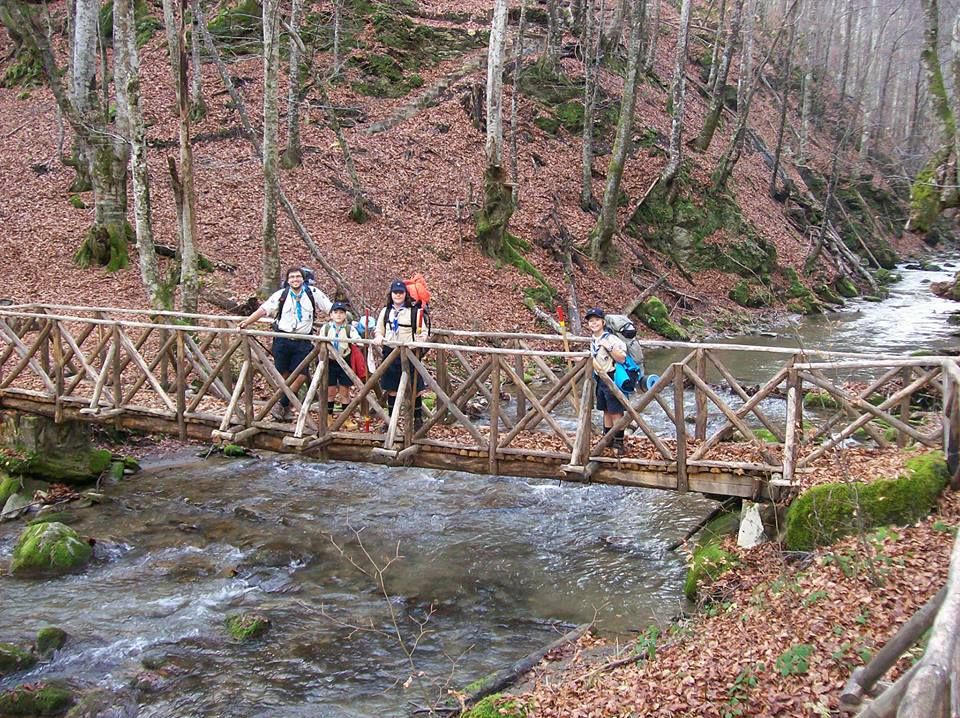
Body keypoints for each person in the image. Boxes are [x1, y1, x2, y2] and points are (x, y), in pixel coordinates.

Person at [239, 267, 333, 421]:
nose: (295, 280)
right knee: (285, 376)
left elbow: (330, 309)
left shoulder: (313, 293)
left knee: (301, 376)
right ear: (288, 280)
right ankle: (287, 409)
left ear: (303, 279)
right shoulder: (281, 295)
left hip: (303, 340)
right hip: (282, 338)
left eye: (298, 277)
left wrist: (341, 325)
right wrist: (247, 322)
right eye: (292, 277)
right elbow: (264, 310)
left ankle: (281, 404)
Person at [374, 279, 428, 429]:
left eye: (400, 292)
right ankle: (391, 421)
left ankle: (417, 420)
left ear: (405, 294)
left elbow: (423, 332)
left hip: (410, 353)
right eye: (395, 293)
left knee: (415, 388)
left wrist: (420, 340)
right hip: (390, 351)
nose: (397, 295)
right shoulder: (385, 312)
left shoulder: (414, 312)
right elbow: (379, 329)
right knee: (391, 388)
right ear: (390, 294)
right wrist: (378, 336)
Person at [585, 306, 628, 456]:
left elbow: (622, 358)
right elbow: (593, 358)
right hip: (599, 378)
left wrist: (609, 347)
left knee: (616, 412)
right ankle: (607, 439)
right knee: (605, 410)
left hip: (611, 378)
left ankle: (619, 442)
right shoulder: (593, 339)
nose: (594, 323)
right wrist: (576, 358)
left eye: (597, 320)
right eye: (591, 321)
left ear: (603, 322)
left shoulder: (610, 339)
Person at [320, 301, 362, 419]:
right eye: (336, 312)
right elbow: (319, 342)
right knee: (330, 391)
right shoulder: (326, 328)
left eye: (341, 313)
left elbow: (357, 340)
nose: (338, 315)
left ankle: (346, 418)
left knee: (344, 391)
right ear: (331, 314)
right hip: (330, 361)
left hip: (344, 362)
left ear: (345, 315)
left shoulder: (350, 329)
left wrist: (357, 342)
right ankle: (328, 417)